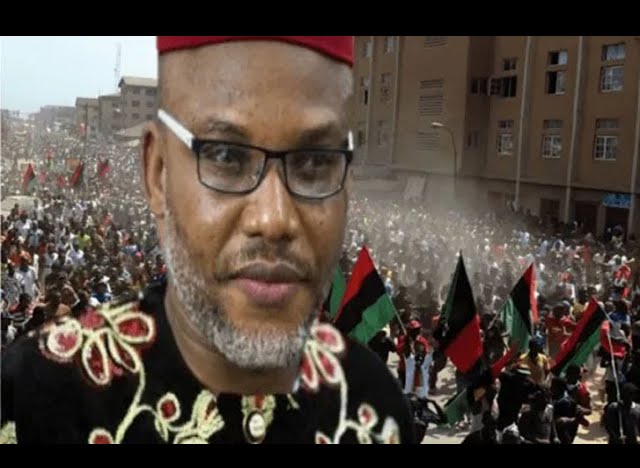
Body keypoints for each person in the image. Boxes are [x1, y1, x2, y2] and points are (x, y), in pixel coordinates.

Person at [1, 36, 414, 444]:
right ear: (158, 174)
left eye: (314, 162)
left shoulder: (376, 411)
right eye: (226, 157)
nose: (273, 219)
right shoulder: (34, 397)